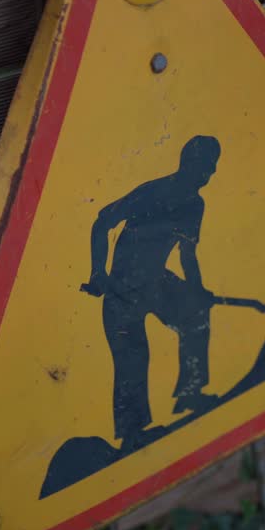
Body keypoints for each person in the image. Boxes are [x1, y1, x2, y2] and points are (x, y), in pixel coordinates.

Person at [82, 135, 222, 447]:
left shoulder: (195, 205)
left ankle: (189, 394)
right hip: (122, 286)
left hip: (157, 281)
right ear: (189, 162)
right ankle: (133, 434)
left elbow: (188, 254)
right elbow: (102, 222)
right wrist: (98, 273)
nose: (210, 174)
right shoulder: (151, 192)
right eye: (206, 166)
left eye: (213, 167)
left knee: (195, 315)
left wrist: (197, 291)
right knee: (133, 355)